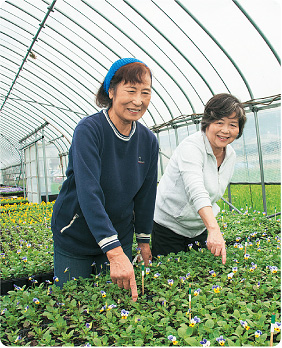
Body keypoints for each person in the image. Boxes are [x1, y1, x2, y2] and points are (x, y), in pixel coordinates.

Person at [51, 58, 159, 301]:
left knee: (115, 305)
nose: (138, 100)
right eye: (130, 91)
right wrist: (114, 253)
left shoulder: (148, 141)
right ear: (111, 91)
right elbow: (89, 192)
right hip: (76, 234)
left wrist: (143, 240)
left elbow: (145, 195)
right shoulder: (89, 130)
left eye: (145, 92)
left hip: (119, 235)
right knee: (72, 305)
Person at [152, 93, 246, 264]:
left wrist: (209, 228)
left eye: (233, 124)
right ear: (207, 123)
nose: (225, 130)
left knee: (200, 275)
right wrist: (214, 228)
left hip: (198, 227)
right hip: (169, 226)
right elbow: (196, 189)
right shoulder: (192, 147)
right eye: (219, 122)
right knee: (169, 276)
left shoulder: (230, 155)